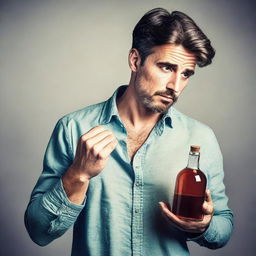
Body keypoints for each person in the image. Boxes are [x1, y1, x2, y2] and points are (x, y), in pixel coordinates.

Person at [24, 7, 234, 256]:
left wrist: (205, 225)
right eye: (167, 67)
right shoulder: (73, 128)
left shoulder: (201, 138)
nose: (175, 86)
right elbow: (38, 232)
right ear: (135, 60)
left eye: (186, 74)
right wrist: (78, 174)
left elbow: (223, 226)